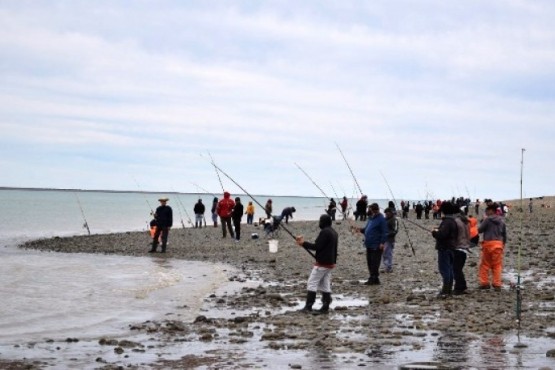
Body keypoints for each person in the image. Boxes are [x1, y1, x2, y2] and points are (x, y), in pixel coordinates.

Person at [296, 214, 338, 314]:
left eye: (320, 221)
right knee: (325, 284)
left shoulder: (325, 232)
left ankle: (308, 306)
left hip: (323, 263)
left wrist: (303, 243)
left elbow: (316, 246)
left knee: (312, 283)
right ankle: (325, 307)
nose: (319, 223)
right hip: (330, 262)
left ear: (323, 222)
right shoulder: (334, 232)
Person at [354, 203, 387, 285]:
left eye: (369, 209)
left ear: (374, 210)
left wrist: (382, 243)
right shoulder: (370, 218)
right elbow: (366, 229)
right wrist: (359, 230)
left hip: (376, 244)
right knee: (369, 262)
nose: (368, 210)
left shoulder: (381, 219)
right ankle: (374, 278)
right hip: (369, 244)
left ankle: (373, 278)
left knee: (374, 262)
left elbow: (384, 232)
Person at [431, 201, 458, 298]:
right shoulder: (453, 221)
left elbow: (442, 235)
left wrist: (434, 232)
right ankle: (449, 290)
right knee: (449, 269)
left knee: (444, 269)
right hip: (451, 248)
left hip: (444, 248)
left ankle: (446, 291)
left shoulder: (447, 222)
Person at [478, 204, 507, 291]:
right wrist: (503, 244)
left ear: (491, 211)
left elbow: (479, 230)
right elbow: (504, 235)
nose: (486, 212)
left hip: (488, 244)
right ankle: (497, 284)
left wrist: (483, 221)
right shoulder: (502, 221)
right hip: (498, 244)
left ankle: (484, 283)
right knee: (497, 265)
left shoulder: (487, 220)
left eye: (487, 210)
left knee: (485, 265)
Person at [453, 212, 471, 295]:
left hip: (458, 248)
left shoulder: (456, 222)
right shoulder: (466, 222)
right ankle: (461, 286)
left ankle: (460, 287)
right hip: (465, 248)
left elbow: (453, 235)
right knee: (458, 269)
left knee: (456, 269)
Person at [382, 208, 399, 273]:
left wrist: (387, 234)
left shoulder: (394, 220)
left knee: (388, 253)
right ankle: (385, 266)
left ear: (391, 213)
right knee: (384, 253)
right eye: (385, 213)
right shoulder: (385, 219)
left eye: (387, 213)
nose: (386, 214)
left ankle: (389, 267)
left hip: (390, 239)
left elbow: (395, 230)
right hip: (384, 239)